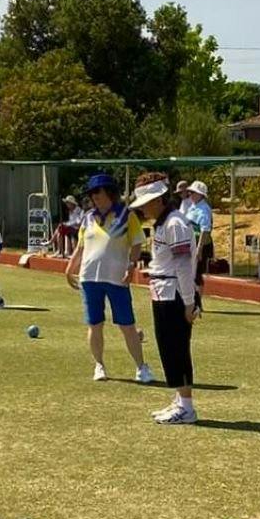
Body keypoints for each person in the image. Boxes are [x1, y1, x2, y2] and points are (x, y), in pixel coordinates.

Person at [64, 171, 156, 385]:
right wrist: (70, 269)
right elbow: (81, 247)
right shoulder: (87, 218)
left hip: (117, 278)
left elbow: (136, 244)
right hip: (89, 278)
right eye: (92, 193)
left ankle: (141, 367)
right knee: (94, 324)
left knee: (127, 324)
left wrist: (131, 265)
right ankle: (99, 365)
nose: (94, 196)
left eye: (99, 191)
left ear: (110, 192)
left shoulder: (127, 216)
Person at [131, 176, 199, 423]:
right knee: (167, 348)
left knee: (177, 349)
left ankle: (187, 408)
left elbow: (182, 265)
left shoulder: (174, 223)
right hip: (163, 292)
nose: (143, 208)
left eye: (147, 202)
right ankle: (181, 401)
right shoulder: (163, 223)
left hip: (175, 294)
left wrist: (190, 302)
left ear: (160, 200)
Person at [180, 179, 214, 309]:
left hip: (200, 245)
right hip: (191, 244)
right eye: (190, 192)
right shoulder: (193, 207)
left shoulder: (204, 209)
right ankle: (191, 301)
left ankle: (197, 303)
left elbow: (205, 231)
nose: (191, 195)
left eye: (193, 193)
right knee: (189, 273)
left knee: (196, 274)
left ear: (201, 195)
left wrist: (199, 250)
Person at [56, 193, 84, 258]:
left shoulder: (79, 211)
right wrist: (66, 224)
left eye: (68, 203)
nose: (67, 204)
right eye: (66, 203)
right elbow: (72, 221)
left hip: (77, 229)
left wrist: (68, 224)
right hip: (72, 228)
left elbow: (78, 222)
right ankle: (62, 251)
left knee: (70, 233)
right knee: (60, 230)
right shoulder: (70, 211)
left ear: (72, 203)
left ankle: (71, 252)